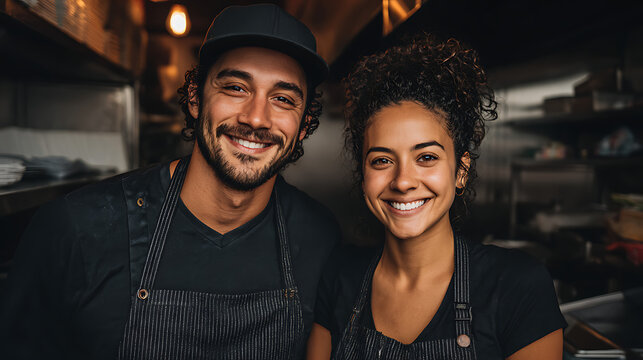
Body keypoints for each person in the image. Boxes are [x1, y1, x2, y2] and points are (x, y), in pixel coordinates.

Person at [0, 4, 341, 359]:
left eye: (283, 99)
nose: (256, 117)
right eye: (236, 87)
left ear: (302, 126)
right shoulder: (75, 231)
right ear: (195, 97)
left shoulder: (319, 239)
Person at [306, 35, 566, 359]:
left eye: (426, 157)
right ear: (363, 177)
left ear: (460, 170)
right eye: (382, 161)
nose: (402, 181)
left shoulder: (518, 287)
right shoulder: (339, 277)